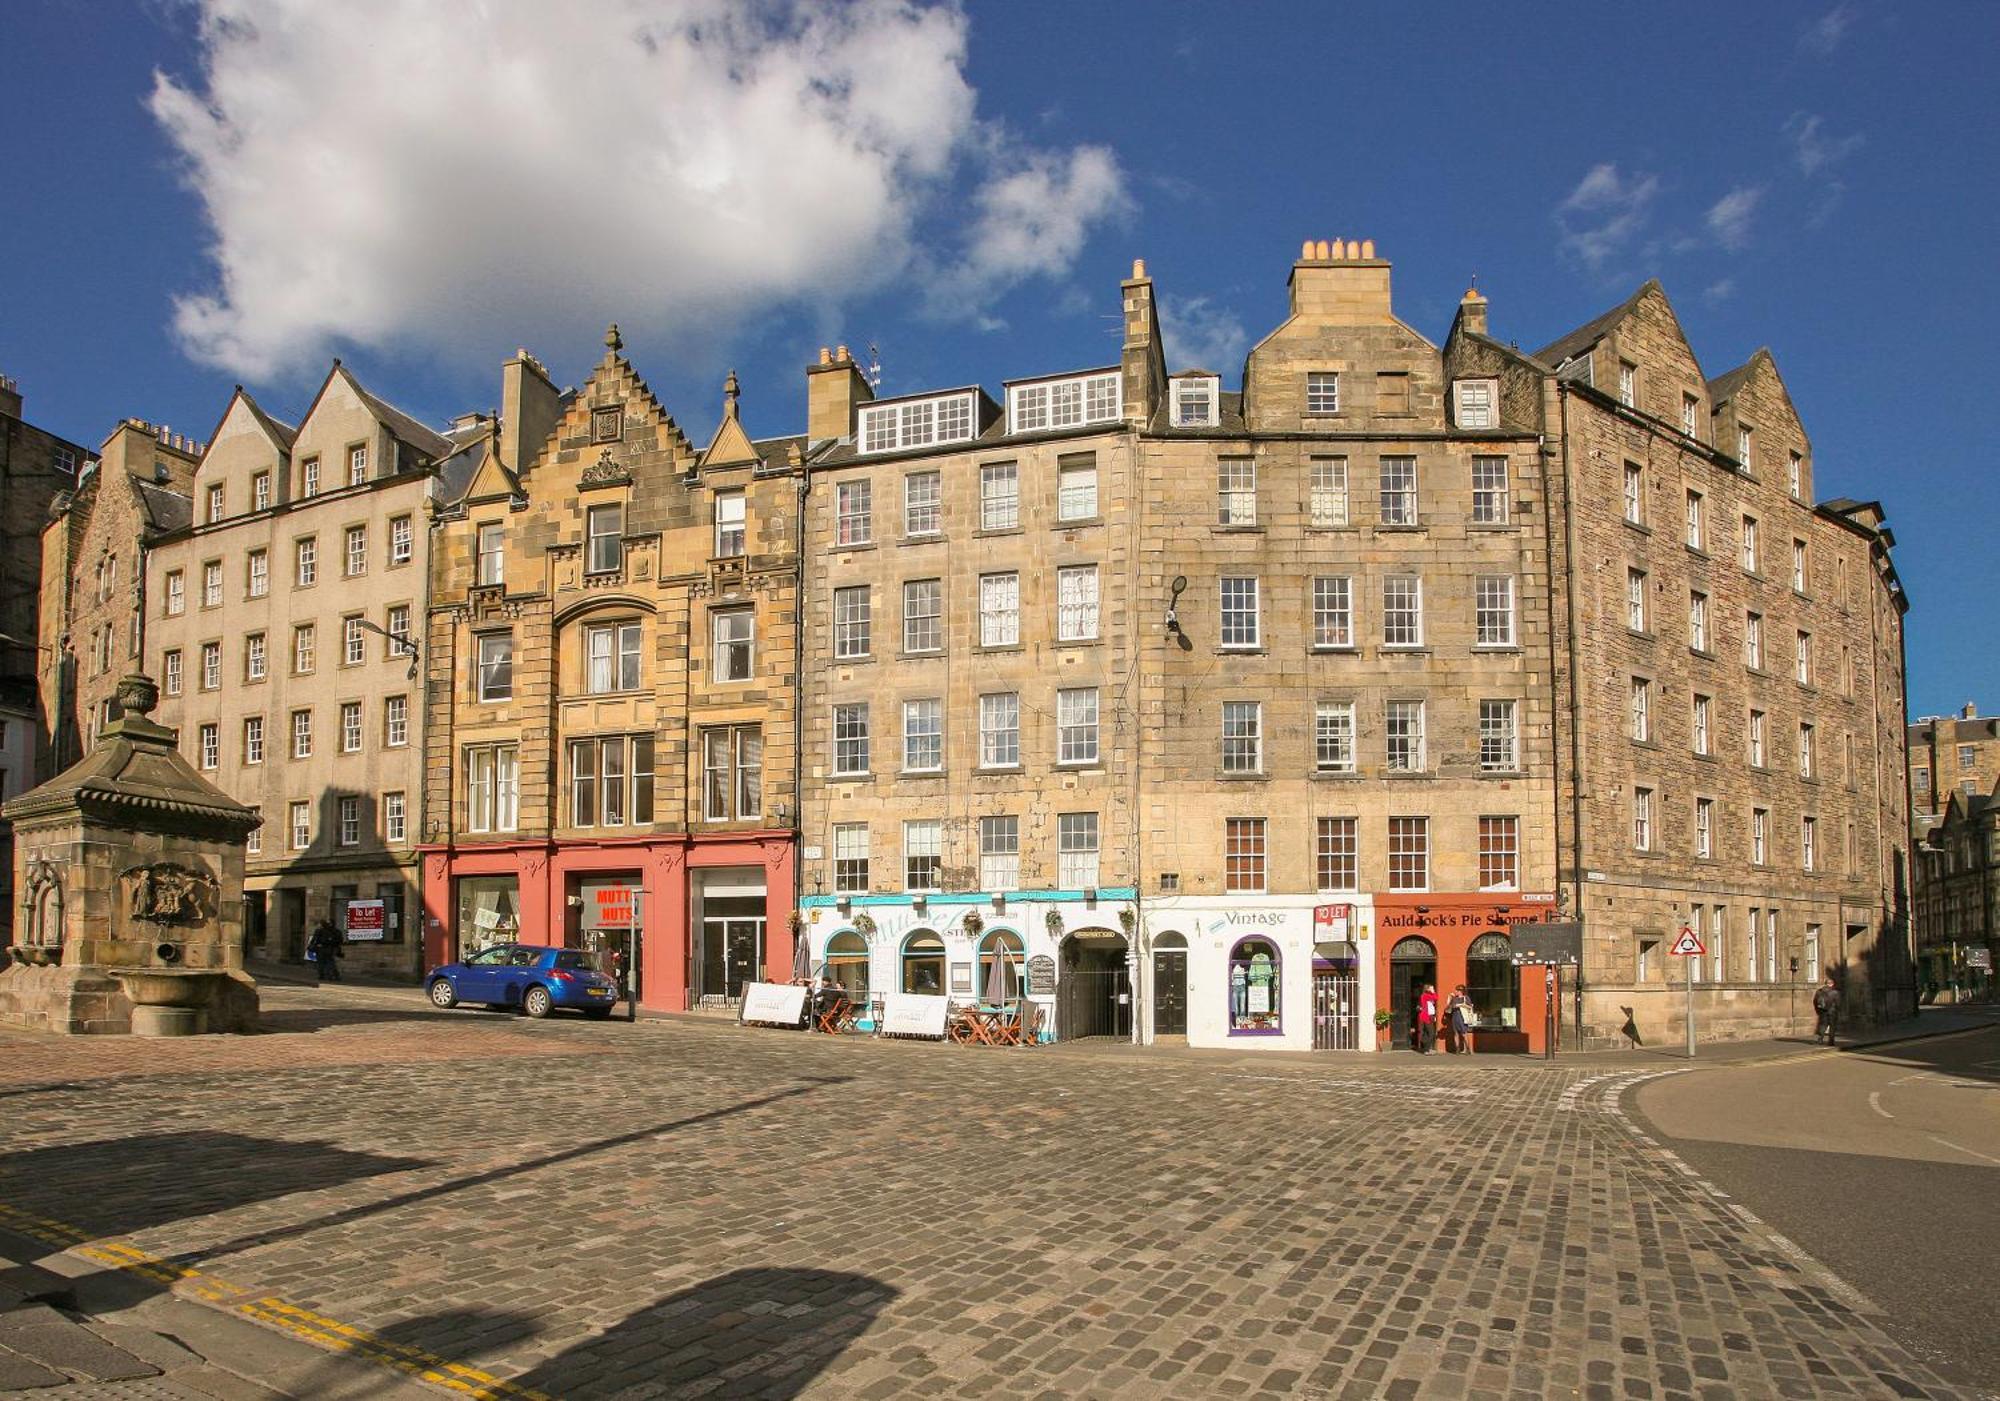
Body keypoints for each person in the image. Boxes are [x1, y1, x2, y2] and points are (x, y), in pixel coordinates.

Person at [307, 918, 344, 984]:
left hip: (323, 949)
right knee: (329, 962)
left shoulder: (320, 931)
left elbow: (315, 940)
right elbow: (339, 940)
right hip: (329, 949)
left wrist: (314, 945)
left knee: (323, 962)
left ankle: (325, 975)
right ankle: (332, 975)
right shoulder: (334, 931)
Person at [1812, 974, 1839, 1046]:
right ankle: (1831, 1041)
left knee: (1823, 1025)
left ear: (1825, 984)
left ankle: (1820, 1039)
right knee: (1832, 1026)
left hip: (1823, 1011)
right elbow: (1837, 1003)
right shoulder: (1834, 992)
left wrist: (1818, 1010)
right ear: (1832, 984)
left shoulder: (1819, 991)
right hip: (1832, 1012)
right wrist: (1838, 1011)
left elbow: (1815, 1001)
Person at [1446, 985, 1473, 1055]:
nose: (1456, 992)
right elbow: (1448, 1008)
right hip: (1455, 1016)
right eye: (1456, 990)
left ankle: (1467, 1049)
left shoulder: (1466, 998)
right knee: (1456, 1033)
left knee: (1464, 1033)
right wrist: (1449, 998)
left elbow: (1470, 1006)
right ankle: (1457, 1049)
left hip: (1462, 1016)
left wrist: (1461, 1005)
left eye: (1457, 990)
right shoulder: (1454, 998)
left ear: (1461, 991)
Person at [1417, 983, 1438, 1054]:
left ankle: (1427, 1049)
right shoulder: (1425, 996)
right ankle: (1426, 1048)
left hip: (1430, 1015)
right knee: (1431, 1033)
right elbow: (1436, 998)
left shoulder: (1428, 996)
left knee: (1427, 1033)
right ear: (1427, 989)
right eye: (1431, 988)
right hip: (1426, 1016)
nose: (1433, 989)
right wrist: (1433, 991)